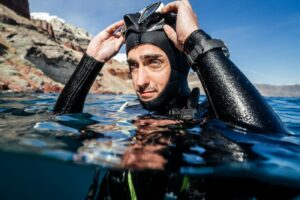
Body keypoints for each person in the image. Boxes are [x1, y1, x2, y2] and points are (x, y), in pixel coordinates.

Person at [54, 0, 290, 199]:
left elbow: (266, 144)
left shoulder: (210, 116)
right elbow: (62, 133)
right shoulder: (128, 114)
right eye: (133, 66)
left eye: (154, 62)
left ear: (180, 65)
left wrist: (195, 41)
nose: (140, 80)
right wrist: (90, 62)